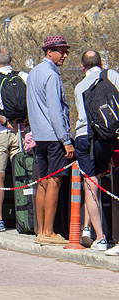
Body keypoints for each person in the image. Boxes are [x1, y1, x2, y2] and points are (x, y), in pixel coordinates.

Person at [26, 35, 75, 245]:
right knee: (54, 182)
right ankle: (48, 232)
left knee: (43, 183)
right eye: (61, 51)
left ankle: (41, 231)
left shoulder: (33, 73)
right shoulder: (52, 75)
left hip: (39, 136)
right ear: (49, 52)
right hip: (54, 137)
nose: (64, 55)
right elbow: (56, 111)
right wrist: (66, 140)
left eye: (66, 51)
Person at [74, 50, 119, 252]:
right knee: (103, 178)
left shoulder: (79, 86)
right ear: (101, 63)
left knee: (91, 185)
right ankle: (110, 235)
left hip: (85, 137)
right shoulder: (113, 76)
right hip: (107, 137)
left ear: (83, 67)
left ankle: (99, 237)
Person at [0, 46, 28, 232]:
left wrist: (4, 121)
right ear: (11, 59)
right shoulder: (24, 76)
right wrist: (23, 122)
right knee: (21, 175)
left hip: (0, 133)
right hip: (21, 132)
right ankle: (24, 218)